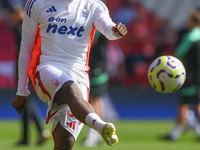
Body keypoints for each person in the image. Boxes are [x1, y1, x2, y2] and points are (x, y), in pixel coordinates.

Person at [12, 0, 127, 150]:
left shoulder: (94, 5)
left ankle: (98, 125)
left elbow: (108, 29)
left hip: (79, 74)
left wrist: (115, 31)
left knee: (64, 145)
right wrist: (22, 91)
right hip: (46, 68)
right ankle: (101, 126)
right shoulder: (37, 3)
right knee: (70, 89)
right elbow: (26, 48)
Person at [2, 0, 50, 145]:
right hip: (28, 68)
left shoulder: (23, 27)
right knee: (26, 103)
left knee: (26, 102)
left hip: (26, 69)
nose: (12, 17)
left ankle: (36, 132)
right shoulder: (25, 26)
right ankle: (29, 136)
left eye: (15, 14)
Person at [162, 10, 200, 141]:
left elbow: (179, 53)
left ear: (193, 22)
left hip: (190, 76)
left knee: (184, 103)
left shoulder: (190, 37)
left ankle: (174, 134)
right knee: (197, 103)